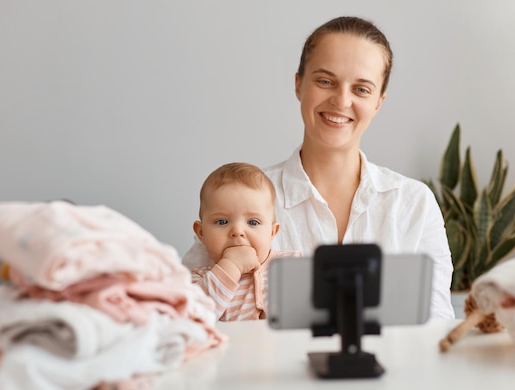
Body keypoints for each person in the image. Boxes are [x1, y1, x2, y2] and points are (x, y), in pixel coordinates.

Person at [183, 16, 455, 319]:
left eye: (362, 89)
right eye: (325, 81)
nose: (341, 100)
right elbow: (183, 317)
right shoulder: (239, 203)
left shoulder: (413, 203)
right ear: (299, 84)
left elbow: (436, 327)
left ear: (379, 101)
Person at [189, 162, 299, 321]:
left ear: (272, 232)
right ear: (201, 233)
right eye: (222, 222)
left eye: (253, 222)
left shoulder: (290, 266)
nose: (237, 231)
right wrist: (230, 267)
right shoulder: (198, 280)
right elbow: (192, 320)